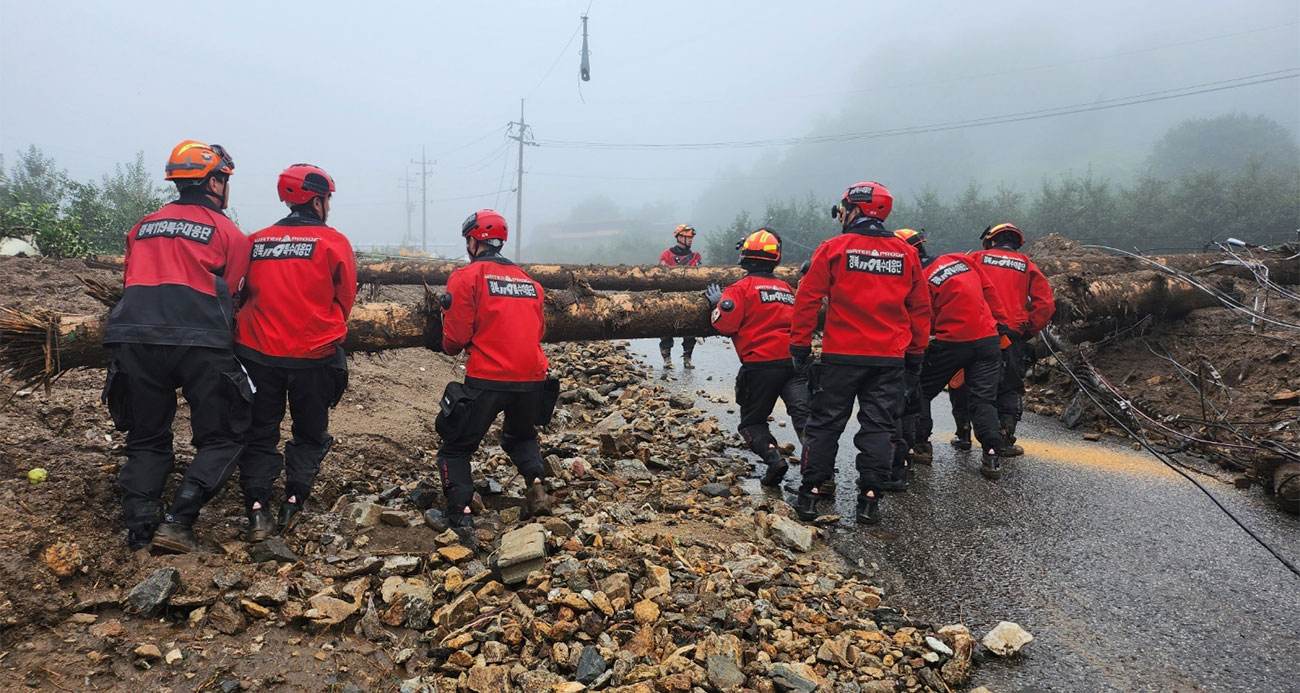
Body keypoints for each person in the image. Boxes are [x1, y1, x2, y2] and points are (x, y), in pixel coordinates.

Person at [101, 140, 251, 553]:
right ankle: (179, 520)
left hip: (134, 339)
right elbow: (235, 293)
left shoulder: (142, 226)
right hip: (201, 342)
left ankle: (139, 530)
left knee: (146, 436)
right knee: (223, 436)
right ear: (214, 182)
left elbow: (130, 280)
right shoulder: (228, 232)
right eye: (224, 179)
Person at [790, 182, 930, 524]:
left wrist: (800, 346)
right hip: (889, 358)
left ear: (857, 209)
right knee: (880, 425)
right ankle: (870, 499)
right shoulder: (906, 253)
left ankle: (809, 495)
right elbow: (920, 309)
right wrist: (915, 355)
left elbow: (807, 298)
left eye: (844, 209)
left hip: (842, 355)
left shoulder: (834, 248)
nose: (841, 215)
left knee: (825, 423)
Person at [233, 164, 356, 540]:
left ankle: (256, 510)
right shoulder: (335, 243)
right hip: (314, 356)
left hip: (256, 353)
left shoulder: (254, 241)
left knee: (259, 433)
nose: (329, 208)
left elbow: (240, 292)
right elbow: (345, 299)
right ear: (316, 200)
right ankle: (293, 501)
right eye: (327, 201)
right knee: (309, 433)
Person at [430, 209, 557, 529]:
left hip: (489, 376)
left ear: (474, 241)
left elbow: (455, 337)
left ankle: (460, 514)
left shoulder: (466, 277)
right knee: (520, 435)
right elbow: (539, 332)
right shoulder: (530, 283)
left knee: (455, 448)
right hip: (532, 377)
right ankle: (537, 485)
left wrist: (445, 345)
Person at [705, 228, 809, 488]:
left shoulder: (740, 289)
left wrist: (716, 304)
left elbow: (726, 325)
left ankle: (774, 459)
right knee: (805, 418)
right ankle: (820, 473)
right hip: (794, 363)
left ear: (745, 256)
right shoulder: (785, 288)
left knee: (752, 422)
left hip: (761, 365)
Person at [911, 250, 1012, 480]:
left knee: (921, 390)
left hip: (953, 343)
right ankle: (992, 454)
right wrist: (1001, 322)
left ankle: (921, 445)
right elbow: (989, 291)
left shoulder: (922, 278)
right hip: (988, 340)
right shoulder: (962, 260)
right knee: (983, 399)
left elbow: (926, 317)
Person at [968, 223, 1055, 456]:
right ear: (1016, 243)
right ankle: (1004, 439)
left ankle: (964, 431)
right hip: (1012, 336)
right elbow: (1045, 304)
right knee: (1009, 386)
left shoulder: (976, 258)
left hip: (977, 332)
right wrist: (1030, 329)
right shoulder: (1026, 265)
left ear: (991, 240)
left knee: (973, 383)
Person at [883, 229, 929, 492]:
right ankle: (913, 449)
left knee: (892, 407)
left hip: (898, 347)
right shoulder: (928, 266)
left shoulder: (897, 270)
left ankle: (898, 461)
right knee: (912, 400)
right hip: (919, 344)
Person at [657, 224, 702, 369]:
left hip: (689, 297)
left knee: (690, 330)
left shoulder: (696, 256)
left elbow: (698, 275)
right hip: (670, 297)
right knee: (666, 329)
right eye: (688, 237)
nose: (690, 240)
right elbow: (663, 277)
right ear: (679, 237)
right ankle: (667, 359)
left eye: (691, 238)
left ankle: (687, 358)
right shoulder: (667, 255)